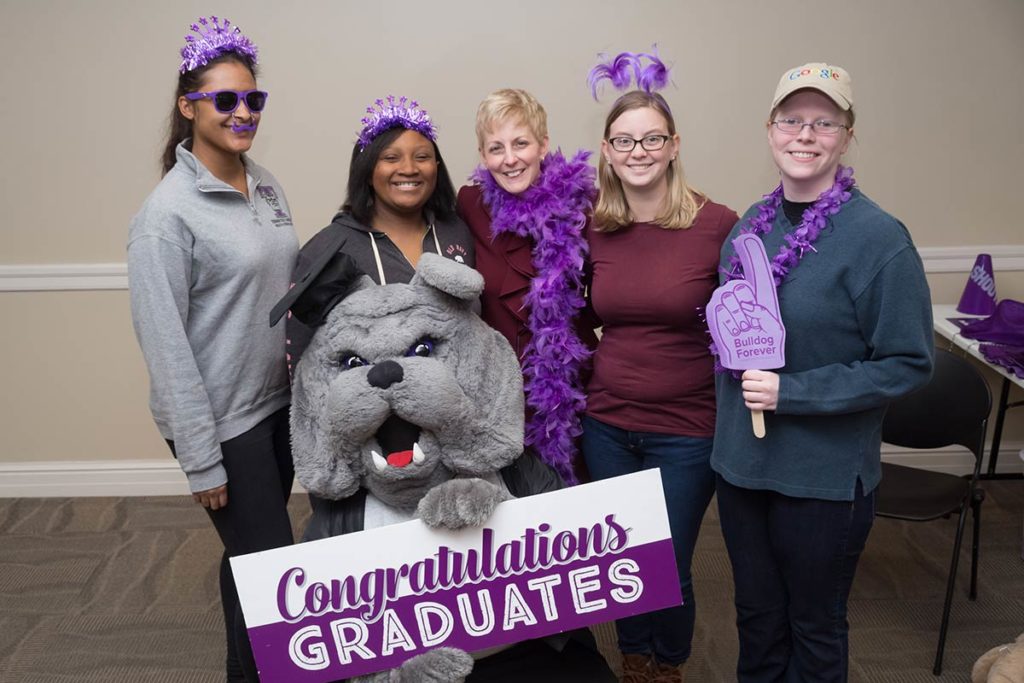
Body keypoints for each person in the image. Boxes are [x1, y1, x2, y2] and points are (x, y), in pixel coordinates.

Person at [711, 63, 933, 682]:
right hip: (742, 467)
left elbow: (909, 362)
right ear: (770, 129)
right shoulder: (747, 229)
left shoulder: (878, 240)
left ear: (846, 134)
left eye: (823, 122)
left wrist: (794, 392)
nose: (804, 135)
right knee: (756, 618)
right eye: (791, 120)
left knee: (813, 625)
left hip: (823, 479)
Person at [127, 17, 297, 681]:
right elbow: (164, 344)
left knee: (251, 561)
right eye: (225, 99)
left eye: (253, 99)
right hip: (224, 422)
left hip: (275, 405)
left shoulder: (266, 184)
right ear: (189, 106)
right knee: (278, 573)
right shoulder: (166, 217)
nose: (242, 112)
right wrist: (202, 459)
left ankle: (241, 671)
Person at [582, 51, 740, 683]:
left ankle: (668, 664)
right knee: (620, 555)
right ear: (607, 149)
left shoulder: (718, 225)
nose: (638, 151)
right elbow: (566, 312)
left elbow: (748, 325)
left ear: (673, 145)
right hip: (608, 422)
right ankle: (632, 658)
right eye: (625, 140)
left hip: (687, 426)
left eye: (651, 138)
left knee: (666, 559)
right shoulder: (592, 224)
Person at [456, 88, 597, 484]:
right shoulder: (469, 205)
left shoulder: (581, 206)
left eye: (521, 143)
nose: (510, 158)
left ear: (543, 145)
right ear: (483, 156)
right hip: (495, 391)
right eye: (496, 147)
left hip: (568, 389)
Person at [278, 95, 475, 372]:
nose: (408, 169)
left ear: (437, 168)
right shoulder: (332, 248)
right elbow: (302, 354)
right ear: (368, 172)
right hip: (374, 408)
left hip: (463, 409)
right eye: (390, 158)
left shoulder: (458, 232)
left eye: (422, 157)